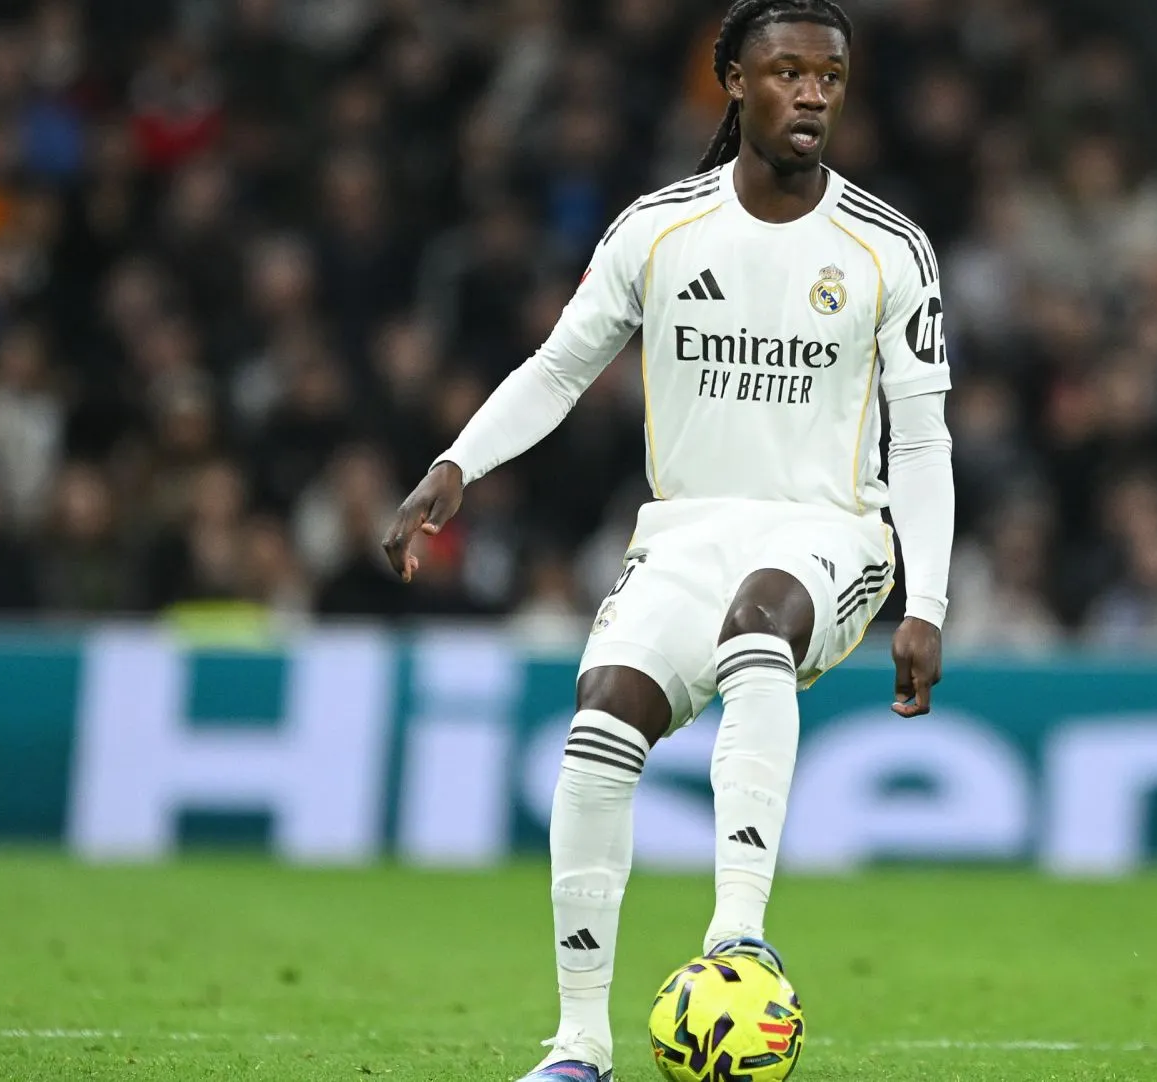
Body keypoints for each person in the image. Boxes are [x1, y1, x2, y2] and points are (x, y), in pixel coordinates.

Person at [380, 2, 954, 1078]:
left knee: (758, 627)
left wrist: (926, 601)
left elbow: (922, 439)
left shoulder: (888, 247)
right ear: (734, 80)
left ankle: (737, 939)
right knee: (600, 723)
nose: (813, 94)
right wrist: (456, 465)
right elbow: (557, 367)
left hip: (833, 531)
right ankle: (578, 1044)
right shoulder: (659, 229)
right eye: (787, 73)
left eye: (829, 76)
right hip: (686, 531)